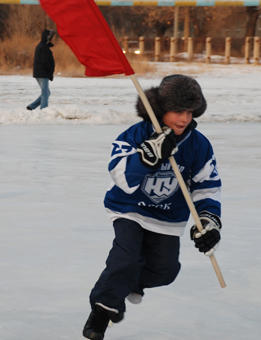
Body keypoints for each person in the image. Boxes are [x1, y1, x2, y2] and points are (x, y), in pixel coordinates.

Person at [82, 75, 222, 340]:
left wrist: (208, 220)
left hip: (169, 216)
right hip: (130, 208)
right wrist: (146, 157)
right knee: (125, 258)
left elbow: (206, 187)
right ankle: (101, 312)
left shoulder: (198, 144)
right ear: (160, 109)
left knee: (165, 270)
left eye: (190, 112)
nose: (184, 118)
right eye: (178, 111)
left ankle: (129, 285)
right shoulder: (137, 134)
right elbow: (119, 175)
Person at [27, 29, 55, 110]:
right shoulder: (43, 47)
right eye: (51, 38)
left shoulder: (43, 46)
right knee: (45, 93)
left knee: (46, 92)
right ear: (48, 38)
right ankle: (44, 110)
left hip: (41, 73)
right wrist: (50, 69)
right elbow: (45, 61)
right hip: (42, 74)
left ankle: (31, 107)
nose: (53, 39)